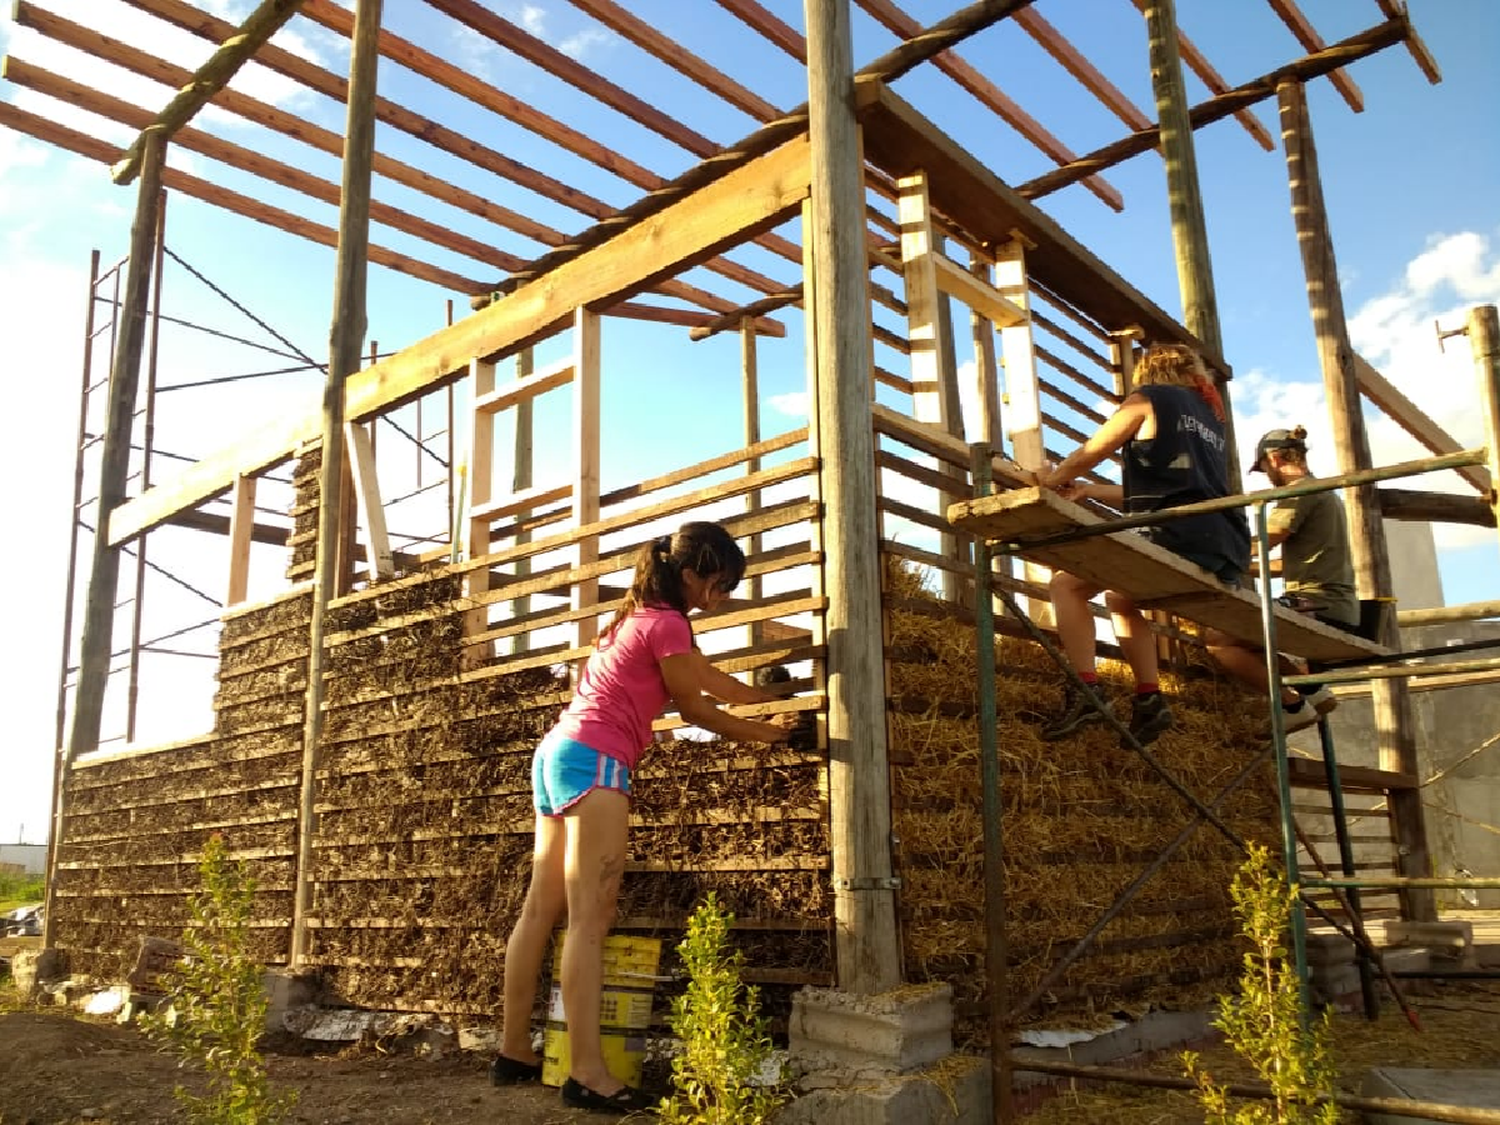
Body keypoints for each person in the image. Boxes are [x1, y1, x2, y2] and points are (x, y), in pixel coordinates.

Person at [492, 521, 798, 1113]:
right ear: (691, 575)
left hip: (557, 753)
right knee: (589, 919)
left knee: (540, 908)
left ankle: (513, 1052)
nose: (724, 597)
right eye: (721, 584)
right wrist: (773, 736)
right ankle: (587, 1073)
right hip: (598, 761)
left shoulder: (632, 622)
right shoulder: (669, 623)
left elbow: (708, 680)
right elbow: (694, 707)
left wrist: (766, 699)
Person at [1034, 343, 1249, 745]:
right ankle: (1150, 699)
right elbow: (1176, 489)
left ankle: (1086, 691)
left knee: (1066, 584)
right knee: (1121, 598)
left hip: (1178, 530)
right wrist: (1089, 491)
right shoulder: (1210, 422)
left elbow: (1091, 451)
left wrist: (1050, 478)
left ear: (1149, 372)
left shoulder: (1150, 398)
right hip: (1220, 539)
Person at [1203, 426, 1355, 732]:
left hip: (1314, 600)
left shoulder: (1297, 491)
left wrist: (1214, 551)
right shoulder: (1325, 493)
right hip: (1335, 602)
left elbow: (1268, 537)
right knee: (1251, 640)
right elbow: (1280, 564)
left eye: (1262, 469)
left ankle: (1292, 705)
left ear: (1273, 459)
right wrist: (1237, 566)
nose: (1266, 477)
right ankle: (1313, 691)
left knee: (1218, 638)